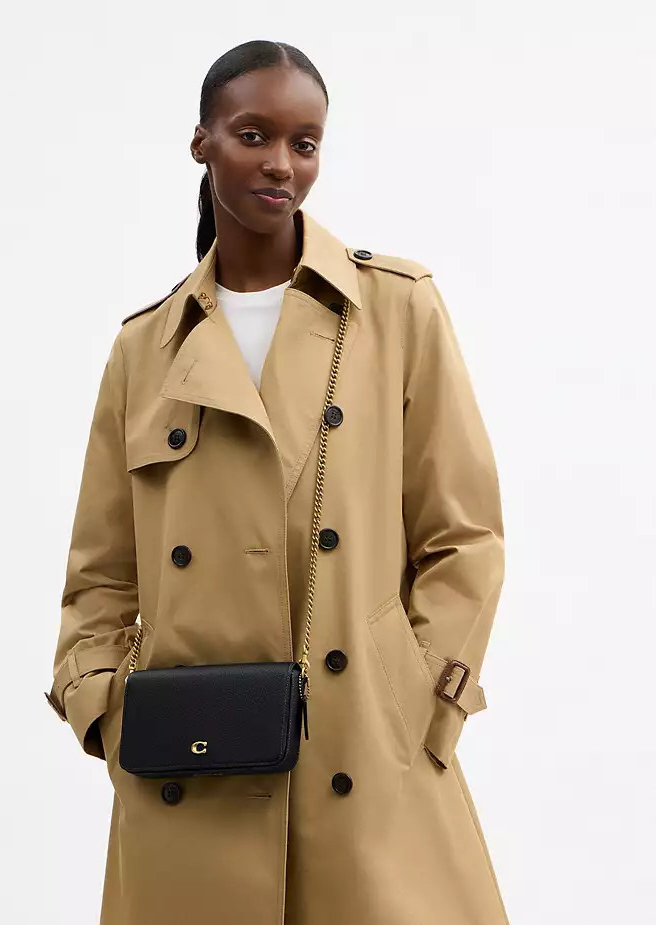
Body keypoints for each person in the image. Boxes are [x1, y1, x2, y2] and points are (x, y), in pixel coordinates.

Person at [45, 38, 509, 925]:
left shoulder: (395, 308)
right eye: (254, 135)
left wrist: (416, 698)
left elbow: (464, 535)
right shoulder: (144, 350)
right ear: (202, 143)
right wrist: (107, 708)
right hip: (189, 764)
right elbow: (100, 573)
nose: (281, 164)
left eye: (305, 143)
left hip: (364, 757)